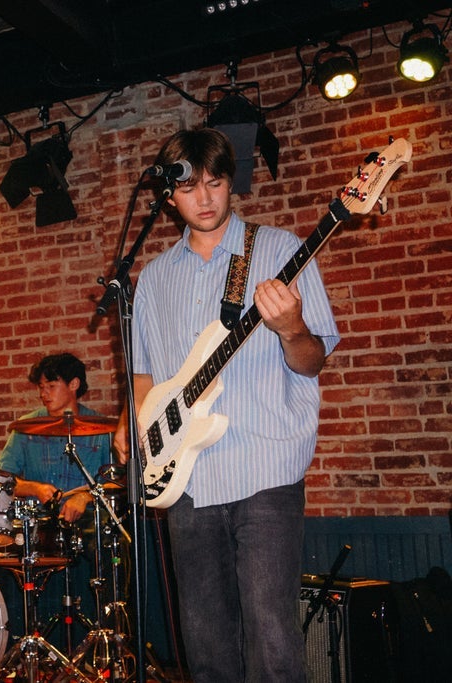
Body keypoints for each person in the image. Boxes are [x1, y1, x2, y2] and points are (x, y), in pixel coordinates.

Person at [113, 127, 340, 682]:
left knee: (271, 642)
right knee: (206, 647)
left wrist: (291, 329)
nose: (207, 199)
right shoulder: (153, 278)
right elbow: (146, 376)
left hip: (264, 467)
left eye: (216, 183)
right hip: (187, 482)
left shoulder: (279, 249)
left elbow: (313, 360)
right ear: (169, 197)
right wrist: (142, 431)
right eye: (192, 188)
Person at [0, 353, 114, 651]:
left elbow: (116, 480)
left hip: (87, 527)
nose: (42, 393)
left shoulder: (100, 429)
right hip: (37, 527)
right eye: (41, 387)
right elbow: (1, 480)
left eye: (50, 386)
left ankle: (100, 643)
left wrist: (86, 496)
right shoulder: (26, 428)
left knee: (110, 541)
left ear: (74, 384)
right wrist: (34, 488)